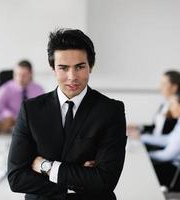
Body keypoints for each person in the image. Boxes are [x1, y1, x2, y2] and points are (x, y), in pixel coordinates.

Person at [7, 29, 127, 200]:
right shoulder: (31, 110)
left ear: (90, 66)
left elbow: (105, 180)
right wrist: (81, 179)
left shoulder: (110, 111)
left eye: (80, 67)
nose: (72, 77)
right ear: (53, 69)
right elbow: (16, 178)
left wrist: (46, 167)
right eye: (63, 68)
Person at [140, 89, 180, 187]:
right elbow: (168, 139)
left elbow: (167, 155)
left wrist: (145, 155)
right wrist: (142, 137)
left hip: (174, 171)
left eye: (172, 104)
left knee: (140, 168)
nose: (170, 109)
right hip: (170, 164)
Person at [127, 70, 180, 138]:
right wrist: (138, 126)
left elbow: (170, 138)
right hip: (152, 142)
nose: (160, 87)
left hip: (159, 146)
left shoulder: (179, 109)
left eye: (163, 84)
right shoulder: (164, 105)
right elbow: (155, 128)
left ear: (174, 87)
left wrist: (142, 137)